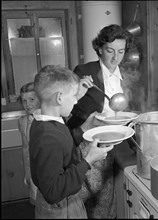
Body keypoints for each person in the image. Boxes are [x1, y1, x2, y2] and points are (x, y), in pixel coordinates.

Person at [67, 24, 134, 219]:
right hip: (89, 141)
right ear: (99, 49)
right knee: (91, 195)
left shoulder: (126, 75)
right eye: (110, 50)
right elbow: (67, 108)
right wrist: (79, 92)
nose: (115, 58)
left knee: (107, 195)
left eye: (121, 51)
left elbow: (127, 107)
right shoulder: (84, 70)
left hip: (116, 140)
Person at [29, 64, 113, 219]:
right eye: (74, 96)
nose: (76, 102)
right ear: (59, 98)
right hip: (60, 207)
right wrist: (89, 160)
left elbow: (64, 146)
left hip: (67, 199)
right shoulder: (47, 137)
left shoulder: (47, 121)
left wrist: (84, 128)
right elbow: (53, 192)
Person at [17, 82, 40, 206]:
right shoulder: (22, 122)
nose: (27, 104)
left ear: (41, 98)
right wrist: (27, 172)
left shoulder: (51, 118)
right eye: (24, 101)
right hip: (33, 170)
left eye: (31, 99)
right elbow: (26, 149)